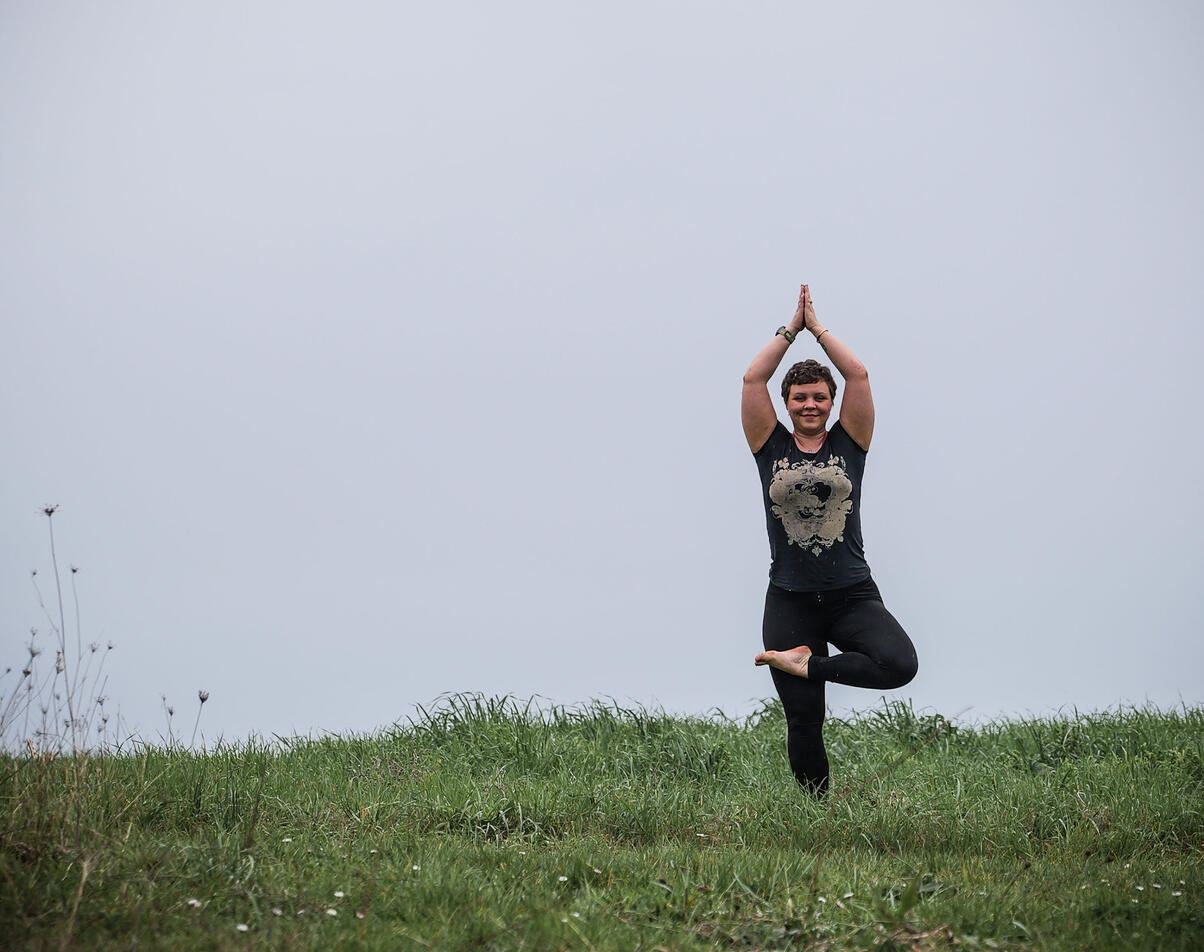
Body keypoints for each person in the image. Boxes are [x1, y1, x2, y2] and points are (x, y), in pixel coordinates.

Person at [742, 283, 918, 796]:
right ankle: (817, 819)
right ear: (788, 403)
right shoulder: (767, 444)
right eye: (801, 397)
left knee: (899, 664)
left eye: (820, 396)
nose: (811, 404)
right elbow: (754, 376)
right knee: (804, 719)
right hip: (789, 599)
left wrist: (818, 329)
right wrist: (789, 330)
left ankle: (807, 665)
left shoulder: (850, 441)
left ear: (831, 401)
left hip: (850, 593)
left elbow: (858, 373)